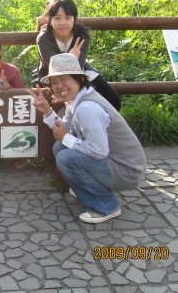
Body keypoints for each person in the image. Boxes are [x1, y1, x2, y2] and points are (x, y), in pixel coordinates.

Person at [27, 53, 147, 223]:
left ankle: (105, 206)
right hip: (117, 162)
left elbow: (98, 151)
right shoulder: (76, 99)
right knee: (60, 147)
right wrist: (48, 111)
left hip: (126, 171)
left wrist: (66, 138)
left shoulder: (86, 107)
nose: (59, 85)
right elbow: (66, 129)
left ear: (79, 79)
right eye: (54, 82)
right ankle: (87, 186)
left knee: (66, 157)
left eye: (64, 79)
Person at [32, 0, 121, 111]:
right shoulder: (44, 38)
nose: (62, 23)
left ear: (74, 19)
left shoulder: (81, 34)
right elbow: (54, 67)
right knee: (62, 103)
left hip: (80, 71)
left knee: (113, 101)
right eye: (57, 18)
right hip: (49, 76)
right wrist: (72, 57)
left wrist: (73, 61)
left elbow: (78, 65)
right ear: (50, 19)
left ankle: (100, 124)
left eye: (68, 18)